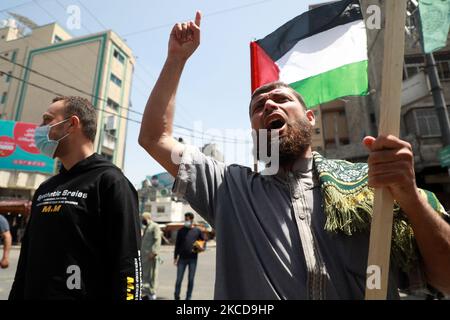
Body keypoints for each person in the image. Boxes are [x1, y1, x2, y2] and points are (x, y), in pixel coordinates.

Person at [138, 12, 450, 299]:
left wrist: (410, 197)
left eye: (281, 99)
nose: (269, 106)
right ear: (253, 133)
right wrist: (176, 59)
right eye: (258, 107)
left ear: (310, 117)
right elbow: (155, 137)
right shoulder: (228, 189)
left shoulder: (371, 188)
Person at [9, 96, 142, 300]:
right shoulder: (45, 188)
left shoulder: (110, 182)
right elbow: (26, 261)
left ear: (71, 124)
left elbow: (127, 265)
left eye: (47, 119)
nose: (39, 128)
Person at [173, 212, 205, 300]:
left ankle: (188, 297)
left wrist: (201, 248)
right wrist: (175, 257)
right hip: (182, 259)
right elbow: (177, 245)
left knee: (191, 280)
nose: (186, 221)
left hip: (193, 259)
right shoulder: (181, 231)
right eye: (185, 219)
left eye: (188, 219)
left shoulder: (197, 231)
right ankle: (176, 296)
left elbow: (203, 241)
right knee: (179, 279)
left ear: (192, 220)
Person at [141, 212, 162, 300]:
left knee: (152, 275)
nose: (142, 221)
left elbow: (157, 239)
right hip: (145, 257)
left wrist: (154, 252)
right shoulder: (147, 227)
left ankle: (152, 294)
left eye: (143, 219)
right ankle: (146, 292)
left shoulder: (155, 226)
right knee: (145, 275)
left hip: (151, 256)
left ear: (147, 218)